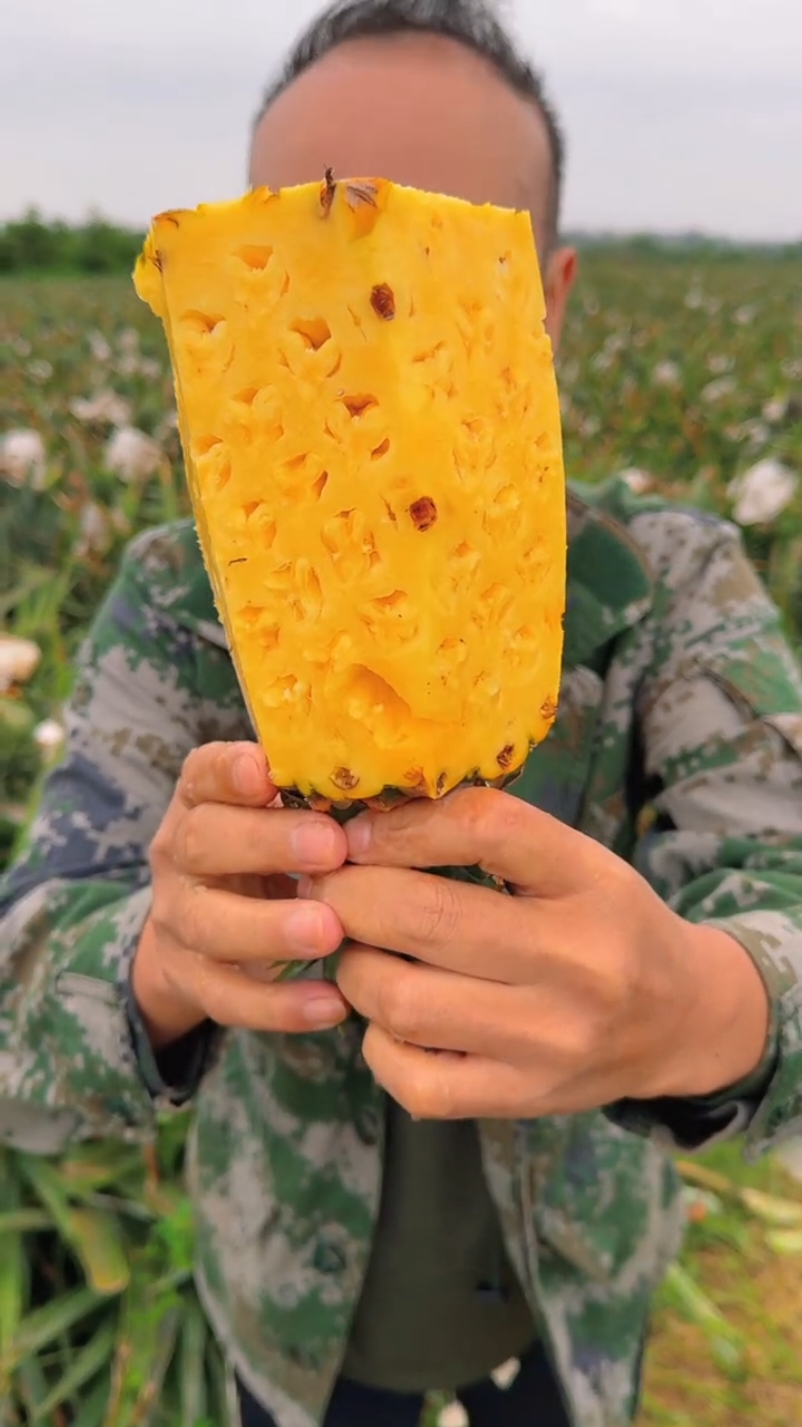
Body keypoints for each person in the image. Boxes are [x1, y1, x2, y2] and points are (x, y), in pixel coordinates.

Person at [2, 2, 801, 1425]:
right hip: (290, 1309)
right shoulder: (178, 602)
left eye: (428, 255)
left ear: (541, 299)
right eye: (289, 256)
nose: (355, 317)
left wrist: (703, 1005)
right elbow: (19, 1000)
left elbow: (783, 878)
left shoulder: (673, 582)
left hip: (571, 1294)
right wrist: (163, 962)